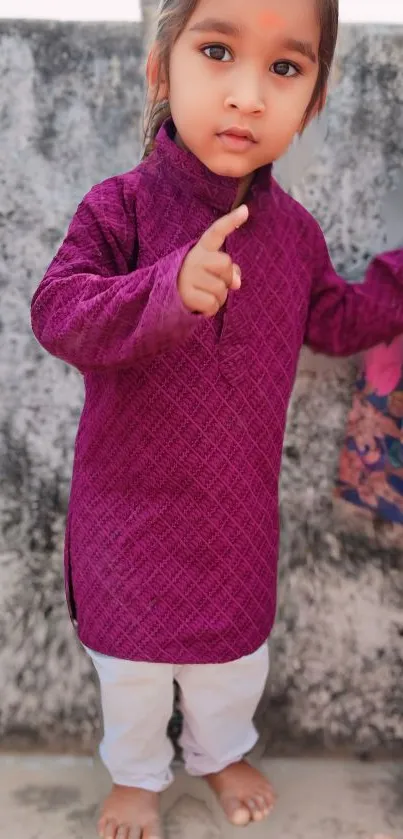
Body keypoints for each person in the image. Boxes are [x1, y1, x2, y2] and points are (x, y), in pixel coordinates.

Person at [30, 0, 403, 837]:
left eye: (283, 67)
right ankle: (133, 774)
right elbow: (58, 309)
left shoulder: (293, 234)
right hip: (125, 509)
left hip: (232, 516)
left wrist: (395, 279)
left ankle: (219, 751)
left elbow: (335, 320)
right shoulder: (119, 208)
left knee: (231, 662)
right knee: (128, 666)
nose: (246, 95)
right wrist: (165, 288)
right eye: (216, 50)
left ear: (310, 99)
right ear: (162, 68)